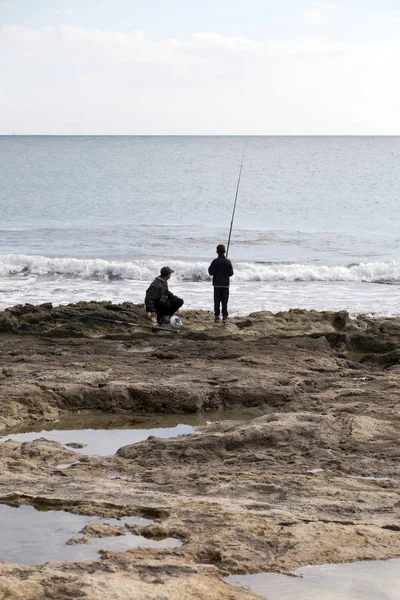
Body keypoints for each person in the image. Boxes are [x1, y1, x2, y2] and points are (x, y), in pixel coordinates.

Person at [208, 244, 234, 323]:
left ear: (217, 252)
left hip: (217, 284)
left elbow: (210, 272)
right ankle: (225, 317)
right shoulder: (228, 261)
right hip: (225, 285)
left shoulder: (215, 261)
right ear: (225, 251)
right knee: (224, 301)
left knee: (217, 300)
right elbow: (231, 273)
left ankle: (216, 317)